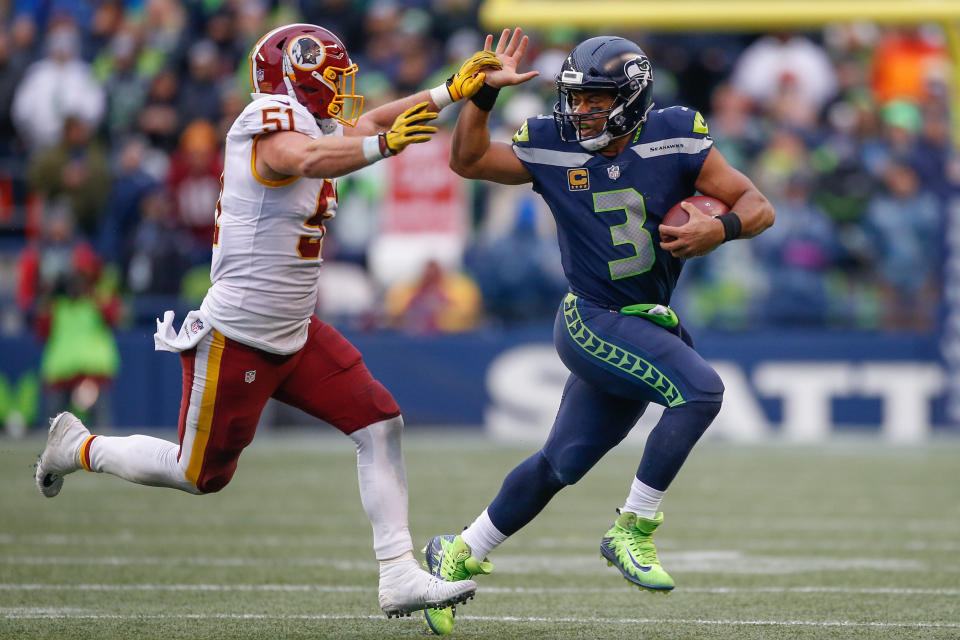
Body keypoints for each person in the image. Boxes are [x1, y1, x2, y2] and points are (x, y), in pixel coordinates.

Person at [34, 22, 505, 619]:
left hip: (297, 331)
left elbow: (367, 124)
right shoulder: (265, 120)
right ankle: (79, 446)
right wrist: (383, 148)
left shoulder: (313, 120)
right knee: (197, 474)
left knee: (380, 423)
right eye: (332, 78)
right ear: (294, 77)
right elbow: (304, 157)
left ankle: (398, 575)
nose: (342, 90)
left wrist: (449, 91)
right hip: (240, 337)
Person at [421, 29, 775, 634]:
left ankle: (459, 553)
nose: (579, 110)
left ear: (632, 98)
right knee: (701, 392)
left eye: (595, 99)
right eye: (574, 98)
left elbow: (758, 204)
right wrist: (480, 100)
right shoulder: (551, 142)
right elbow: (469, 160)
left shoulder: (677, 136)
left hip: (643, 319)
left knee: (562, 464)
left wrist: (723, 228)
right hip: (591, 317)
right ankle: (632, 527)